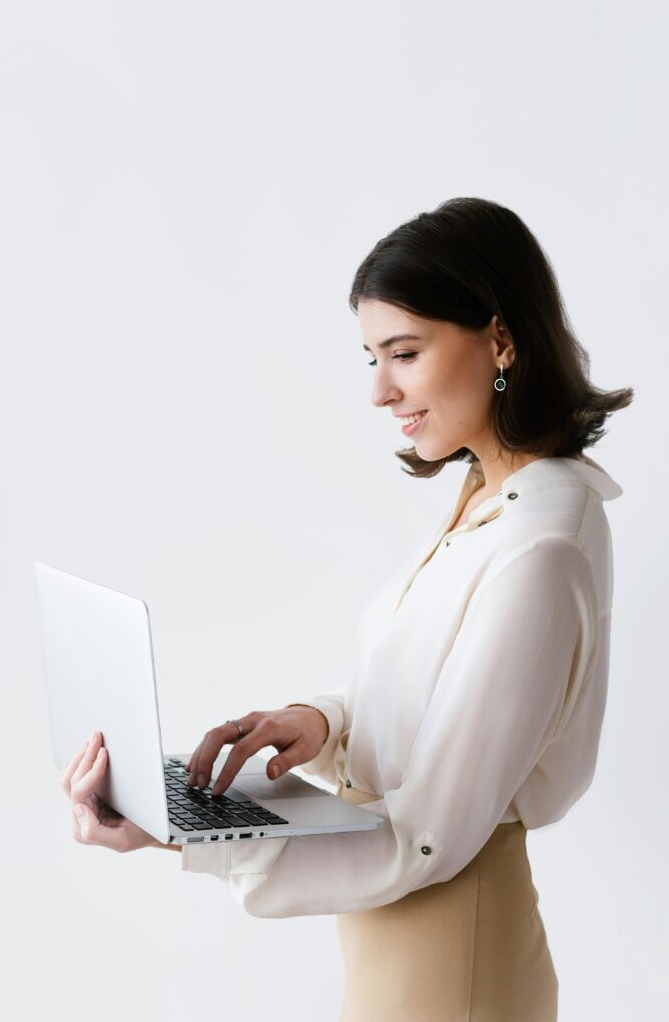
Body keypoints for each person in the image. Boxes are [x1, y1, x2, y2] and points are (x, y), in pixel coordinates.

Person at [60, 197, 633, 1021]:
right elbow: (428, 711)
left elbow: (424, 836)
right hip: (403, 939)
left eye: (403, 352)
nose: (378, 391)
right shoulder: (487, 500)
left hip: (449, 952)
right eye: (370, 356)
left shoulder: (540, 548)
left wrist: (183, 836)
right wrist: (320, 725)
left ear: (500, 339)